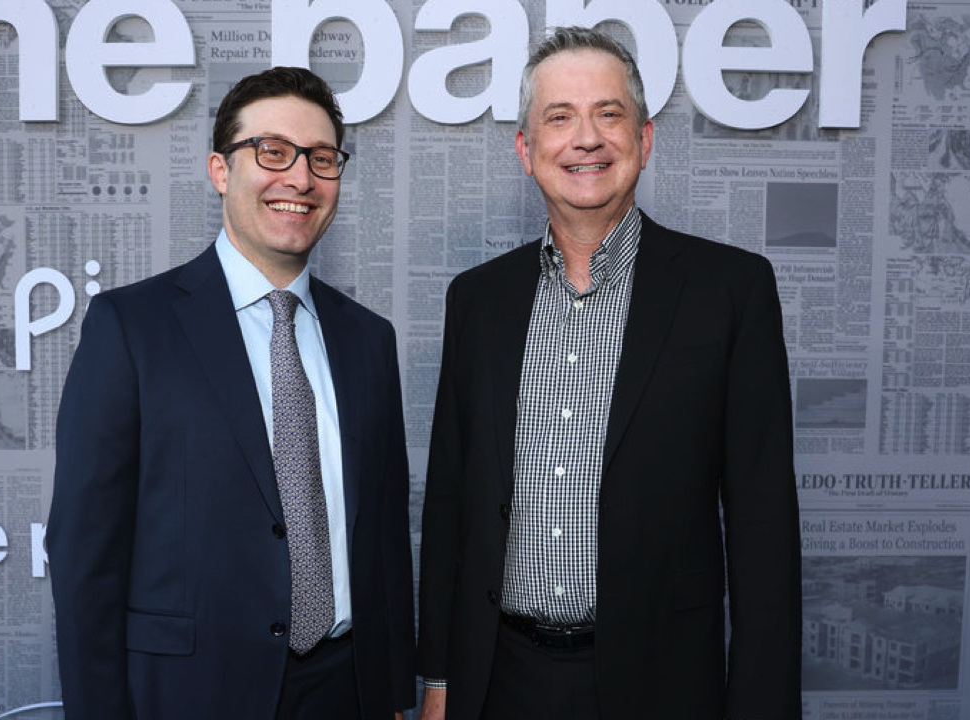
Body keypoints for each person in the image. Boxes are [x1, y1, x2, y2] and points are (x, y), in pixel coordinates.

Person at [417, 27, 801, 720]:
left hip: (663, 683)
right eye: (559, 118)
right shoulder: (477, 299)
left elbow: (763, 528)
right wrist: (439, 678)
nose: (586, 138)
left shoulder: (730, 291)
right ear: (526, 151)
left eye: (609, 114)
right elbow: (450, 503)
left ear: (645, 140)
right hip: (501, 679)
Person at [48, 66, 415, 720]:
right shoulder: (131, 328)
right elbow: (84, 557)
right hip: (192, 695)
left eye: (321, 158)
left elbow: (383, 544)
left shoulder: (368, 340)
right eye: (272, 152)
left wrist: (391, 696)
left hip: (345, 691)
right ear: (221, 170)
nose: (299, 178)